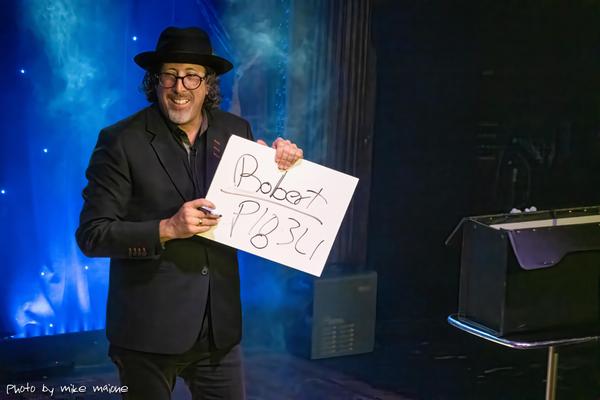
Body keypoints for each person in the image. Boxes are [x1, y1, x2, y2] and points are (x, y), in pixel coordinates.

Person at [76, 26, 303, 400]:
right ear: (155, 81)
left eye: (192, 76)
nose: (180, 87)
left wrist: (283, 166)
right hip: (147, 335)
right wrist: (167, 228)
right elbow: (92, 235)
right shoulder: (120, 141)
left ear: (208, 83)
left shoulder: (236, 131)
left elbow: (258, 210)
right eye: (169, 75)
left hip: (218, 332)